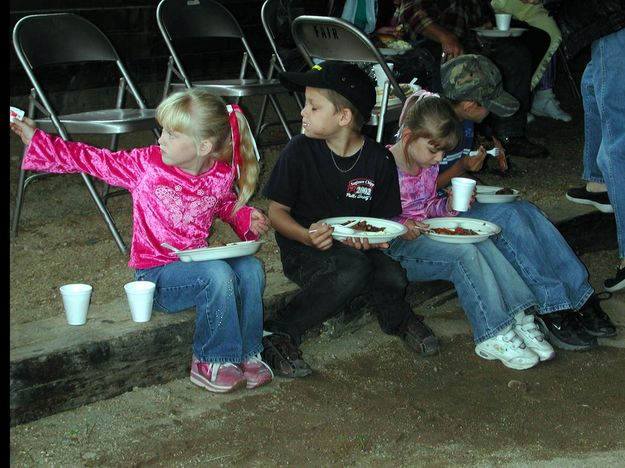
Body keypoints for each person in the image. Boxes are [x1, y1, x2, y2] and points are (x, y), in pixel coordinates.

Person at [10, 89, 274, 394]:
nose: (161, 139)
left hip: (199, 265)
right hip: (158, 276)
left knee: (251, 268)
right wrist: (38, 140)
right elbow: (93, 159)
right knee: (218, 274)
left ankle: (248, 353)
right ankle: (210, 360)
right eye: (163, 131)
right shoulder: (146, 165)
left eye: (172, 134)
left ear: (203, 146)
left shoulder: (219, 174)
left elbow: (223, 203)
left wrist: (244, 217)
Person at [261, 61, 439, 378]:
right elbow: (276, 212)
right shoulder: (299, 151)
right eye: (305, 104)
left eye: (313, 106)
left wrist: (374, 239)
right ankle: (278, 331)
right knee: (353, 269)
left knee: (393, 276)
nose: (303, 112)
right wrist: (305, 236)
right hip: (303, 249)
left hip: (354, 249)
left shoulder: (378, 159)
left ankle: (397, 319)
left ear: (344, 117)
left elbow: (379, 222)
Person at [436, 54, 616, 346]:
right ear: (469, 105)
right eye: (489, 106)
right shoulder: (434, 125)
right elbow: (418, 187)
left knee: (526, 211)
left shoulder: (464, 121)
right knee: (511, 220)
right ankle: (553, 305)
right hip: (433, 212)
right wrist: (464, 168)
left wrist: (481, 152)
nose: (492, 113)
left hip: (458, 202)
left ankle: (581, 297)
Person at [384, 90, 555, 370]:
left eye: (443, 152)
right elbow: (373, 216)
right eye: (433, 150)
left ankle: (519, 316)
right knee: (465, 254)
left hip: (428, 235)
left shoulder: (426, 166)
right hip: (398, 248)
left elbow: (427, 207)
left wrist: (448, 205)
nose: (439, 158)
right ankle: (492, 332)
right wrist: (402, 225)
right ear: (408, 137)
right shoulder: (384, 167)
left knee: (483, 243)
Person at [390, 0, 551, 159]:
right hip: (429, 42)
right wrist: (445, 37)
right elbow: (410, 12)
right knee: (441, 63)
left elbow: (475, 14)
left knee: (517, 53)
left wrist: (484, 27)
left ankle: (508, 133)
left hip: (467, 41)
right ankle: (444, 138)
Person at [553, 0, 625, 293]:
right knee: (591, 82)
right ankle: (600, 184)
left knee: (618, 142)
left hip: (615, 14)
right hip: (606, 16)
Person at [491, 0, 572, 122]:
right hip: (496, 5)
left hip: (528, 7)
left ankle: (543, 97)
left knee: (550, 30)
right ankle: (515, 100)